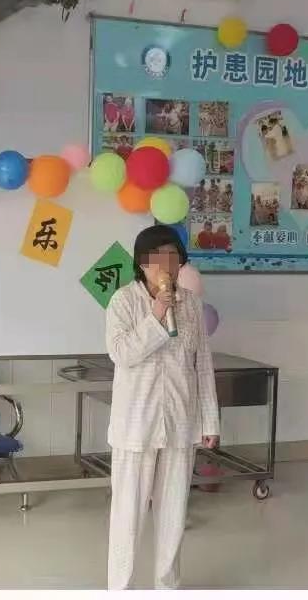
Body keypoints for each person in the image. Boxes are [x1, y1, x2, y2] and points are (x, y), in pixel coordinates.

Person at [105, 225, 220, 590]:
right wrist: (156, 315)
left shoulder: (192, 304)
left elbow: (202, 364)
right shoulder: (123, 301)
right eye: (158, 258)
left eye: (173, 257)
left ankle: (167, 588)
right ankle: (120, 589)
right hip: (136, 426)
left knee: (173, 517)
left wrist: (210, 420)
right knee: (128, 517)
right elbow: (122, 354)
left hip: (179, 423)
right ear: (142, 264)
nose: (166, 265)